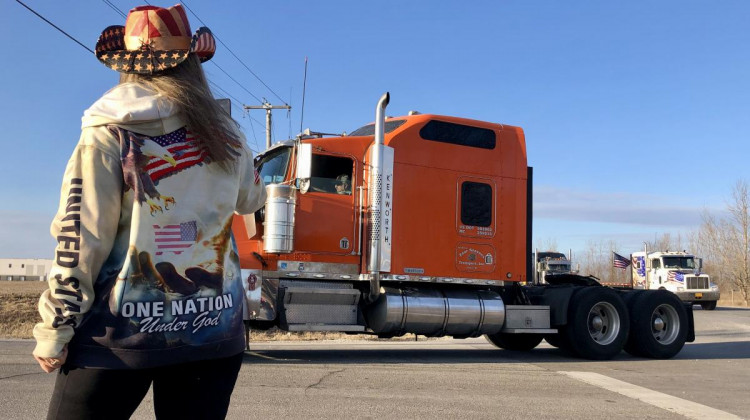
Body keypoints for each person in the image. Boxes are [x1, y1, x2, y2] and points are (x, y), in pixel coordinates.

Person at [31, 5, 266, 419]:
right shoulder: (226, 134)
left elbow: (81, 236)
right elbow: (251, 200)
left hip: (121, 336)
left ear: (129, 65)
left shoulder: (108, 130)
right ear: (192, 64)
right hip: (212, 329)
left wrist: (55, 328)